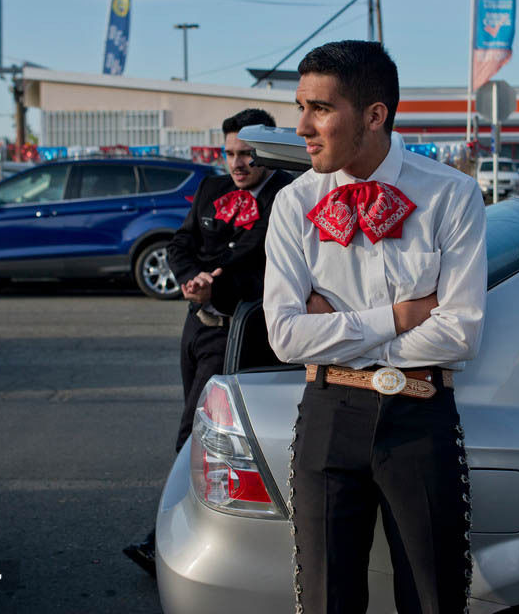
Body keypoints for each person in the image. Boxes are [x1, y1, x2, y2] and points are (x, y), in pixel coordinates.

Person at [263, 40, 487, 614]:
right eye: (300, 107)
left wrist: (336, 330)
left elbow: (460, 333)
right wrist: (399, 317)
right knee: (326, 600)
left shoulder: (450, 195)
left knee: (433, 598)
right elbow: (286, 336)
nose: (303, 126)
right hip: (328, 415)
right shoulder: (294, 204)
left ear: (374, 114)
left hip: (419, 415)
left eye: (320, 109)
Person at [123, 107, 293, 577]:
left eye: (248, 155)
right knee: (199, 436)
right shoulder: (211, 189)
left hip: (240, 335)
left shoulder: (287, 196)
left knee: (195, 435)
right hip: (197, 326)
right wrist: (190, 276)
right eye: (230, 154)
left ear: (268, 154)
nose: (237, 165)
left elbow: (257, 264)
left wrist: (213, 277)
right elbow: (181, 243)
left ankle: (165, 544)